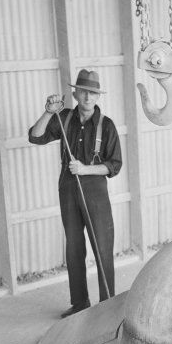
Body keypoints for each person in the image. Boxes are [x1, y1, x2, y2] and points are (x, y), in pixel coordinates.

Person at [29, 69, 122, 317]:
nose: (88, 97)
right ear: (75, 93)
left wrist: (85, 169)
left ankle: (107, 306)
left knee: (102, 246)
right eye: (83, 92)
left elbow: (114, 165)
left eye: (92, 93)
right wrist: (49, 112)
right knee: (74, 248)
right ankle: (80, 303)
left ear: (98, 96)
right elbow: (35, 137)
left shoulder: (107, 125)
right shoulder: (65, 118)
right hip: (68, 188)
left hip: (95, 190)